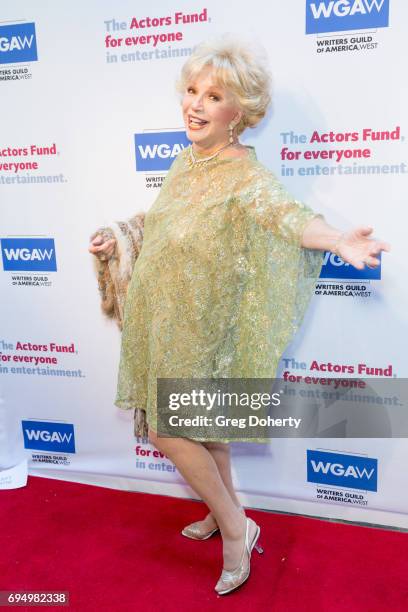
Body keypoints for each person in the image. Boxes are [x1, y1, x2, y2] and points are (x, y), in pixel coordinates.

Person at [88, 38, 390, 595]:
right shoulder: (186, 161)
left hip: (206, 332)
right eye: (192, 90)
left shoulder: (247, 178)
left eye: (214, 96)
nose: (195, 105)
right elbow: (161, 224)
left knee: (171, 428)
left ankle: (235, 528)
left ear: (241, 114)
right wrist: (121, 237)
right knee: (211, 434)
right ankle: (218, 507)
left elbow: (288, 217)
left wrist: (333, 238)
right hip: (167, 321)